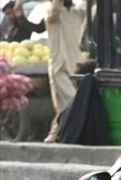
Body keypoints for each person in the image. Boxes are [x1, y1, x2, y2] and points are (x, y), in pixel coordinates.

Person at [43, 0, 83, 143]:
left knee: (63, 106)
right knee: (73, 99)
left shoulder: (77, 12)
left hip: (75, 64)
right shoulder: (51, 10)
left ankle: (53, 135)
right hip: (59, 66)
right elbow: (52, 14)